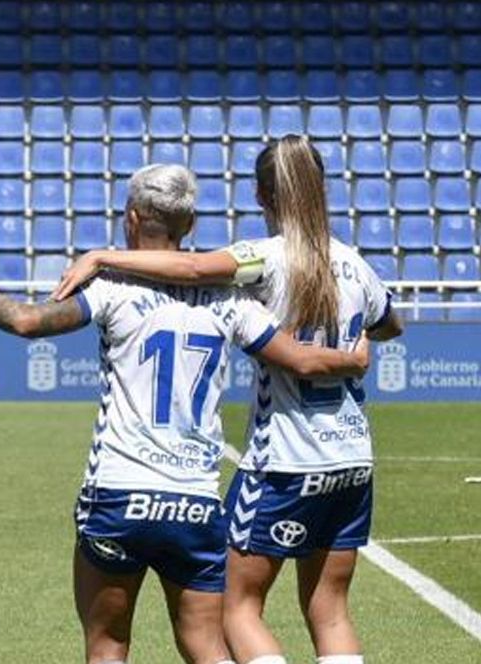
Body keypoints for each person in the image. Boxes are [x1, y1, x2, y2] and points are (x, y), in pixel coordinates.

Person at [0, 163, 371, 664]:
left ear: (132, 217)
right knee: (206, 644)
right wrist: (351, 359)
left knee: (108, 647)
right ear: (190, 225)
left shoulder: (112, 287)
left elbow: (27, 321)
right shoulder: (231, 297)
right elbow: (301, 359)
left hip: (120, 494)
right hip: (194, 502)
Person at [52, 137, 404, 664]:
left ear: (263, 195)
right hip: (352, 457)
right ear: (323, 188)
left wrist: (102, 255)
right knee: (330, 607)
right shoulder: (354, 263)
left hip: (284, 457)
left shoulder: (266, 256)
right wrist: (350, 351)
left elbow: (193, 270)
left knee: (238, 610)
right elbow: (389, 325)